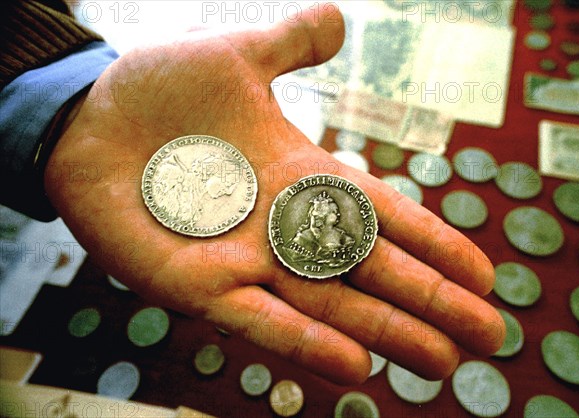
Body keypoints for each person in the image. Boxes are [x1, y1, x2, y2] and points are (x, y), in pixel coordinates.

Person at [0, 1, 504, 385]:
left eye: (326, 212)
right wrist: (70, 113)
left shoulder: (317, 231)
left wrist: (65, 99)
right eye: (323, 211)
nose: (323, 213)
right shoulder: (303, 225)